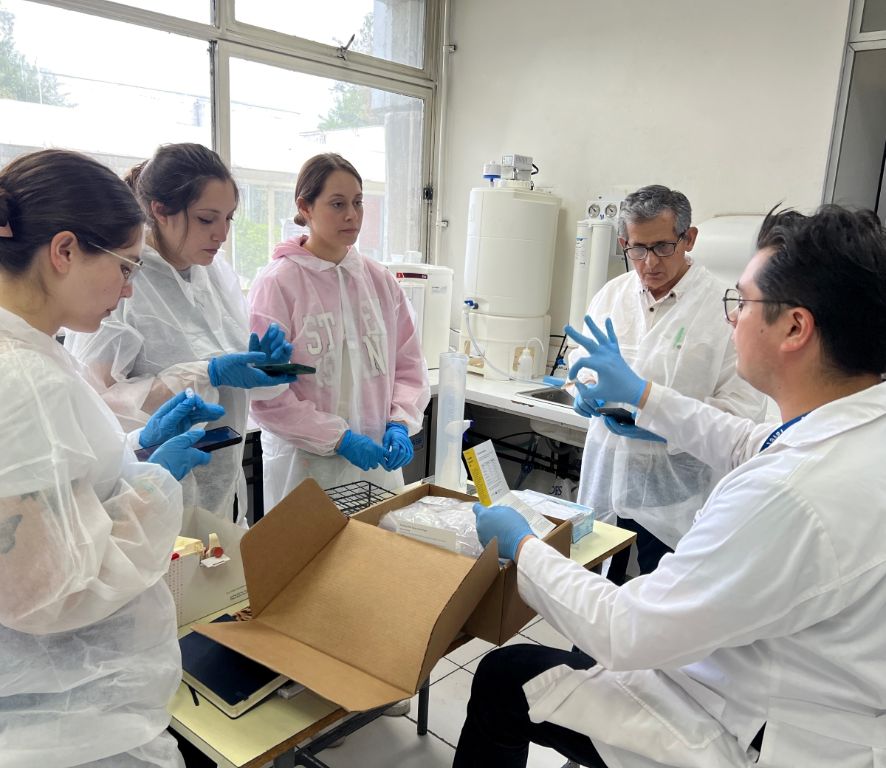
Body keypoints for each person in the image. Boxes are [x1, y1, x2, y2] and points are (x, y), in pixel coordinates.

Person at [456, 204, 886, 768]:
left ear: (794, 327)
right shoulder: (856, 425)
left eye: (744, 303)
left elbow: (625, 631)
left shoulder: (788, 493)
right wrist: (640, 394)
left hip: (746, 727)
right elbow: (746, 440)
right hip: (780, 685)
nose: (733, 319)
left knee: (504, 677)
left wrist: (523, 546)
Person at [0, 149, 221, 767]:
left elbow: (59, 486)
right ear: (65, 251)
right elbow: (48, 593)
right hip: (66, 721)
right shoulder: (23, 379)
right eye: (125, 266)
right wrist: (153, 487)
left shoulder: (35, 351)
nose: (128, 290)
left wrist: (134, 449)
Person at [66, 143, 295, 526]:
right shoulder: (123, 279)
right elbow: (98, 405)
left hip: (220, 487)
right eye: (206, 219)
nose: (221, 234)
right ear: (160, 210)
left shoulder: (214, 274)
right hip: (145, 496)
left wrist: (264, 370)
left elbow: (235, 391)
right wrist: (206, 373)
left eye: (229, 218)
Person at [566, 184, 765, 581]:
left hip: (675, 490)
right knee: (593, 587)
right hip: (609, 473)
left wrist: (664, 425)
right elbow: (580, 358)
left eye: (662, 246)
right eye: (638, 249)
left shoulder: (723, 308)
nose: (649, 262)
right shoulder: (611, 297)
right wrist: (582, 390)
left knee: (665, 597)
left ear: (688, 239)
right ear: (624, 243)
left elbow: (744, 407)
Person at [248, 152, 429, 509]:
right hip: (304, 468)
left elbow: (408, 365)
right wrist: (338, 438)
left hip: (376, 463)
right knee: (308, 544)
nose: (352, 215)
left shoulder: (378, 281)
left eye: (358, 202)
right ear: (305, 207)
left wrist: (399, 421)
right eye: (337, 204)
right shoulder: (278, 284)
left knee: (375, 542)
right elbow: (266, 395)